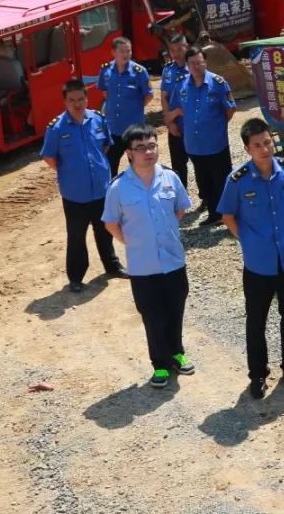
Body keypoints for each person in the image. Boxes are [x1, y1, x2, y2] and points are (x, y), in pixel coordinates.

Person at [218, 118, 284, 399]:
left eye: (268, 142)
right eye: (257, 145)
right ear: (247, 148)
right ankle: (257, 374)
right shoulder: (237, 180)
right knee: (256, 320)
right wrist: (247, 240)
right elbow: (227, 216)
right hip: (258, 264)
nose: (264, 149)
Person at [102, 124, 193, 389]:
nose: (148, 152)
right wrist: (134, 242)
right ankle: (160, 364)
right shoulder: (118, 188)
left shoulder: (170, 178)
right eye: (140, 148)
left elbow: (179, 210)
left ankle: (177, 352)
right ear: (129, 153)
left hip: (174, 260)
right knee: (152, 316)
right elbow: (111, 224)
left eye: (151, 145)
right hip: (143, 266)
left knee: (175, 310)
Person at [40, 78, 126, 293]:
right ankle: (76, 277)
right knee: (77, 236)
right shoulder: (57, 128)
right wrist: (72, 174)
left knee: (106, 229)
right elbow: (50, 158)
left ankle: (112, 266)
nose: (77, 104)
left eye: (81, 99)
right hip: (74, 194)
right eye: (72, 100)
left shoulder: (98, 119)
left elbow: (105, 146)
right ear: (65, 102)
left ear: (87, 98)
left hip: (101, 189)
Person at [168, 47, 235, 227]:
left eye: (200, 62)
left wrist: (216, 126)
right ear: (187, 65)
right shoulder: (181, 85)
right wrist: (172, 123)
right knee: (204, 181)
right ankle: (214, 215)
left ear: (205, 62)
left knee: (222, 179)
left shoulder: (218, 83)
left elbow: (230, 109)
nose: (197, 67)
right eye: (193, 64)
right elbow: (174, 107)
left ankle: (229, 217)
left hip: (216, 142)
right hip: (194, 144)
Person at [97, 37, 153, 176]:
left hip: (133, 129)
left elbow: (149, 95)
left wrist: (135, 108)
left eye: (128, 51)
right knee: (110, 167)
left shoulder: (139, 72)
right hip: (113, 129)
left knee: (138, 167)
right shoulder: (106, 70)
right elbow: (105, 93)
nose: (126, 54)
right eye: (122, 51)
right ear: (113, 52)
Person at [160, 33, 191, 190]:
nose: (176, 54)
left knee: (200, 163)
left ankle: (205, 198)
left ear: (186, 47)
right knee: (178, 166)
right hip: (175, 127)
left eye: (180, 49)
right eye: (173, 50)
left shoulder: (194, 67)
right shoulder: (167, 70)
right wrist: (170, 121)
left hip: (193, 126)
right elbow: (164, 97)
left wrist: (179, 112)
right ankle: (181, 196)